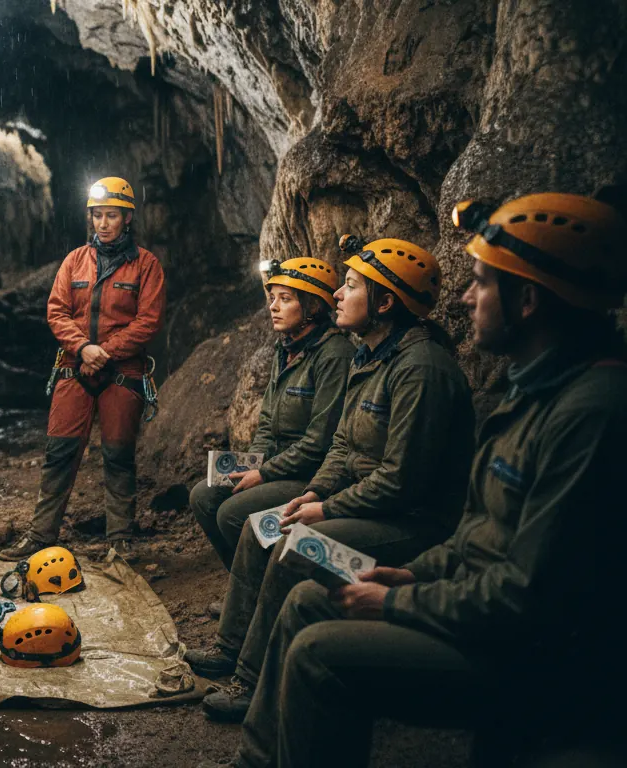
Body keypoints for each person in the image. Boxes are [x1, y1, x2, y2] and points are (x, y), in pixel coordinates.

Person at [209, 193, 627, 768]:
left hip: (527, 650)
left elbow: (523, 592)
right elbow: (477, 535)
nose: (464, 297)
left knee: (316, 647)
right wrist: (411, 573)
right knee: (306, 596)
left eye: (481, 283)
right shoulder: (532, 391)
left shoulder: (588, 413)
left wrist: (401, 600)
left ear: (527, 300)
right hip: (453, 581)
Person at [188, 234, 475, 722]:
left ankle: (253, 684)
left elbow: (402, 481)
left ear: (385, 302)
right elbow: (341, 448)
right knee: (266, 527)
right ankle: (235, 647)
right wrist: (317, 491)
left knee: (290, 541)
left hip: (412, 523)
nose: (339, 294)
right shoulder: (372, 357)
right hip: (367, 506)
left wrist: (325, 508)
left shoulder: (420, 370)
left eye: (350, 285)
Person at [0, 177, 165, 563]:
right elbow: (56, 312)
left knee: (118, 455)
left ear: (127, 218)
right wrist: (83, 347)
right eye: (97, 216)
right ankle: (41, 535)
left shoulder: (146, 265)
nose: (103, 224)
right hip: (75, 369)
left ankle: (120, 541)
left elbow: (149, 321)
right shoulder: (75, 260)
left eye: (111, 216)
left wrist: (104, 351)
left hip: (122, 372)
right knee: (59, 452)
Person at [190, 256, 354, 569]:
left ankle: (261, 589)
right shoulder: (287, 348)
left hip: (308, 474)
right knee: (204, 495)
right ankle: (242, 582)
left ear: (313, 307)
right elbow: (266, 422)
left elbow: (319, 442)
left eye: (285, 299)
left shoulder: (334, 356)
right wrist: (253, 462)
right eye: (272, 298)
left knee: (231, 513)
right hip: (276, 463)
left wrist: (264, 474)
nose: (273, 307)